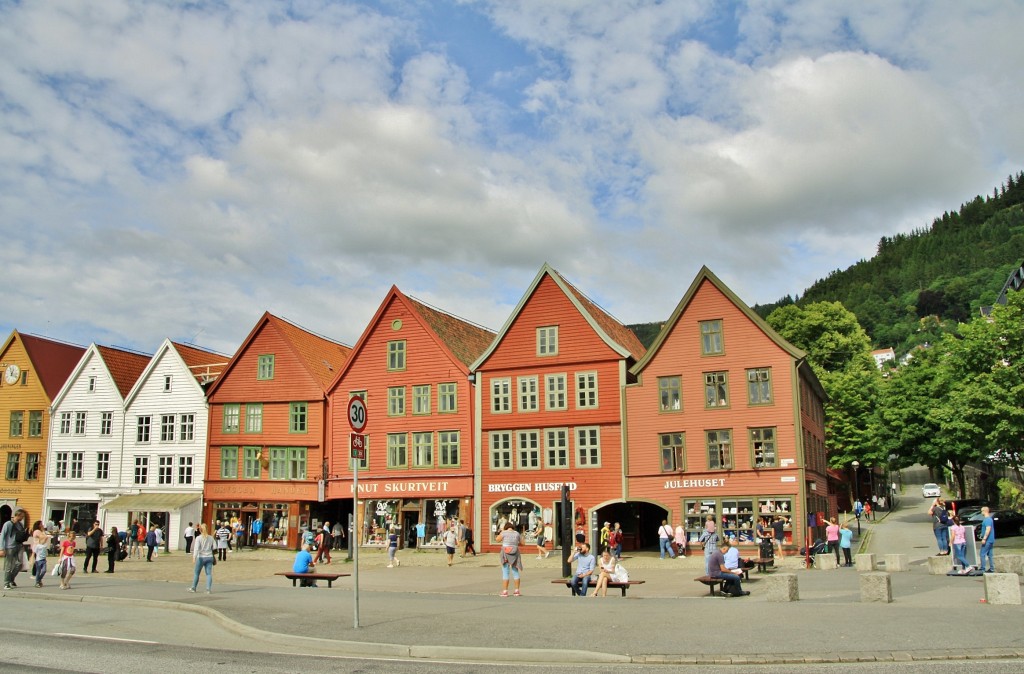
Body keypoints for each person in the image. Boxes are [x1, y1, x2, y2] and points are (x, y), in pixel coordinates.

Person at [2, 508, 29, 589]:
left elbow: (21, 534)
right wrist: (1, 548)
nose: (23, 518)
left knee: (19, 564)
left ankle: (11, 579)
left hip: (19, 545)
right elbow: (2, 535)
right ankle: (6, 583)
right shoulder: (8, 524)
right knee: (9, 566)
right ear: (18, 515)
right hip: (9, 547)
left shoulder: (20, 524)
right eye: (22, 516)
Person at [496, 521, 522, 597]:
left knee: (505, 572)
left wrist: (501, 532)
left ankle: (505, 591)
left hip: (505, 554)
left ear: (505, 527)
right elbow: (523, 543)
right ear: (512, 527)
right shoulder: (517, 533)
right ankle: (517, 591)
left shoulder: (504, 533)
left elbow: (497, 540)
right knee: (515, 571)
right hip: (515, 553)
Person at [188, 523, 216, 593]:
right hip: (209, 556)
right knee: (209, 573)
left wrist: (194, 557)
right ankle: (208, 589)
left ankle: (193, 587)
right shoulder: (211, 538)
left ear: (200, 530)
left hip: (201, 557)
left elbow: (196, 548)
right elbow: (215, 547)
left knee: (197, 573)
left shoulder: (198, 538)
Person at [31, 520, 50, 588]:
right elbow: (44, 537)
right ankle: (37, 579)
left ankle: (38, 579)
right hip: (38, 549)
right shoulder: (37, 531)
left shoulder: (41, 531)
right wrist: (43, 533)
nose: (42, 525)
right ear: (38, 525)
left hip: (42, 549)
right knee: (38, 566)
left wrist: (43, 531)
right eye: (41, 524)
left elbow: (45, 537)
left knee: (43, 569)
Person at [978, 506, 996, 573]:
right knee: (990, 555)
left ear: (985, 511)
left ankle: (982, 569)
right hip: (991, 540)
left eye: (981, 511)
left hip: (988, 540)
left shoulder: (987, 520)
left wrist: (984, 538)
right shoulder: (989, 519)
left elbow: (988, 529)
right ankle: (992, 568)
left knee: (982, 554)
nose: (981, 512)